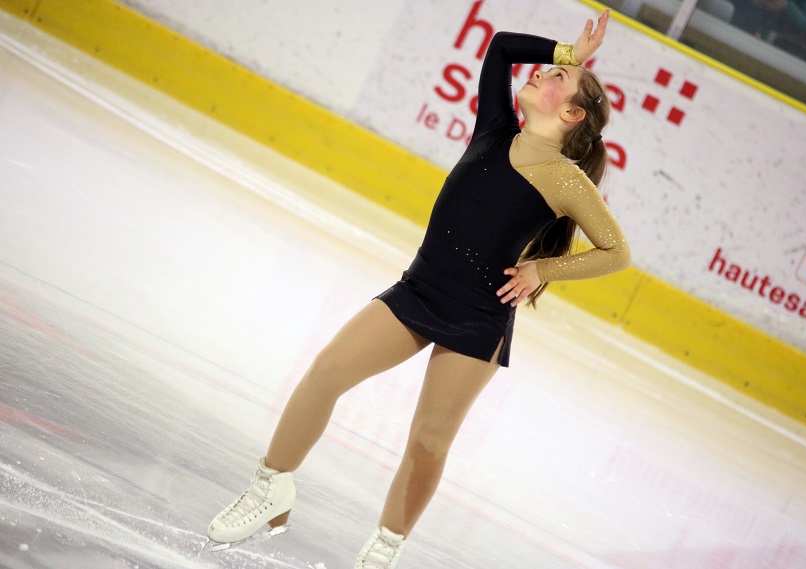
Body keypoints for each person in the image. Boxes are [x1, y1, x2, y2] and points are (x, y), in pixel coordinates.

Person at [207, 10, 630, 568]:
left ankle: (384, 549)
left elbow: (616, 253)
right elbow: (501, 46)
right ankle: (271, 488)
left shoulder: (566, 180)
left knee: (428, 442)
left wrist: (541, 270)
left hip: (478, 321)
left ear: (573, 113)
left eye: (557, 80)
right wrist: (569, 55)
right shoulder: (495, 129)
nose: (541, 74)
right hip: (419, 291)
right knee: (328, 371)